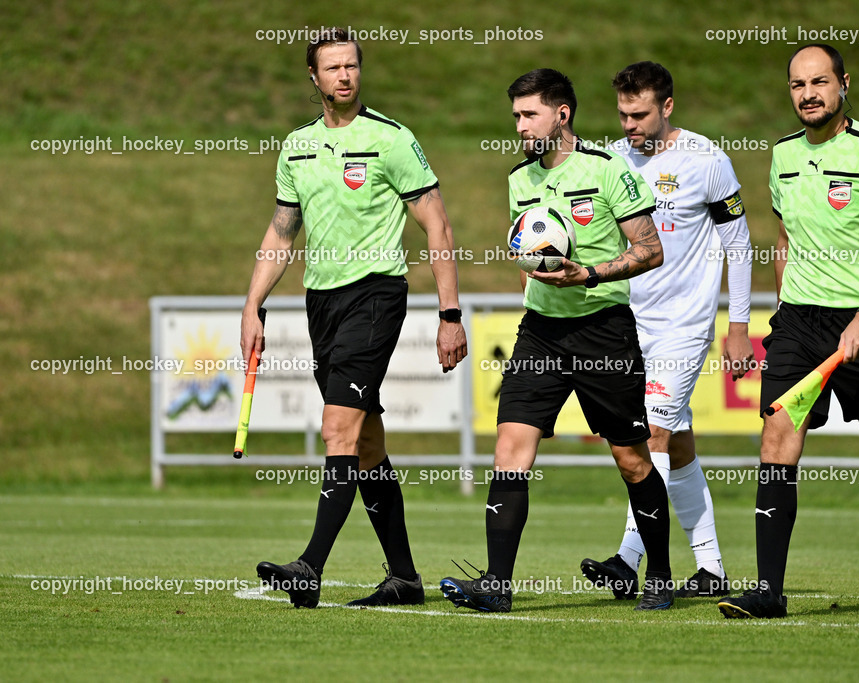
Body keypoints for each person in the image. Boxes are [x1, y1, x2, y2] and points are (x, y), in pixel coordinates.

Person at [241, 27, 468, 609]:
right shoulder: (296, 146)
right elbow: (282, 233)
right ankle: (405, 579)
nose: (344, 76)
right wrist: (252, 304)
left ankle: (308, 567)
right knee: (365, 444)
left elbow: (438, 225)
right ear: (313, 77)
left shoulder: (391, 139)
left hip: (376, 297)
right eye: (333, 67)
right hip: (321, 304)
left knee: (337, 430)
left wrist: (450, 313)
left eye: (352, 65)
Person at [716, 44, 859, 619]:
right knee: (776, 441)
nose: (808, 94)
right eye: (798, 85)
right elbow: (785, 238)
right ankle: (769, 593)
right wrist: (782, 310)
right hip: (797, 322)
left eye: (819, 82)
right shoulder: (782, 153)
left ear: (844, 83)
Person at [439, 68, 672, 612]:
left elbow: (650, 250)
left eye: (529, 115)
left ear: (561, 114)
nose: (520, 126)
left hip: (603, 331)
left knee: (632, 460)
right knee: (508, 450)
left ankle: (659, 575)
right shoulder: (519, 180)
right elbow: (526, 251)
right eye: (516, 116)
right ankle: (496, 586)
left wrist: (586, 274)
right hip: (541, 333)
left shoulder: (607, 169)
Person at [579, 61, 754, 601]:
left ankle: (628, 560)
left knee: (649, 435)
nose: (629, 125)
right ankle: (711, 569)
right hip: (625, 323)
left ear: (667, 107)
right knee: (676, 445)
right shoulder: (611, 159)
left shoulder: (707, 160)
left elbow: (739, 245)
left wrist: (740, 327)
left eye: (639, 114)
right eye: (623, 114)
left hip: (683, 325)